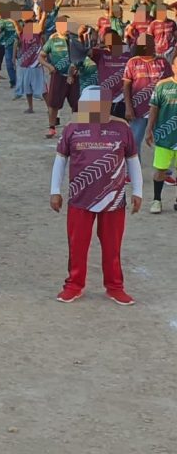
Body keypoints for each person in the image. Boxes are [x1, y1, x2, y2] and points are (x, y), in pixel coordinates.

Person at [51, 87, 141, 305]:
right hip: (80, 198)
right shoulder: (72, 128)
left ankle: (115, 287)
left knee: (112, 246)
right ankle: (74, 285)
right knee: (77, 244)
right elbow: (60, 160)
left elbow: (132, 160)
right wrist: (55, 191)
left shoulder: (122, 128)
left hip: (114, 199)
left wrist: (138, 191)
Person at [123, 34, 171, 156]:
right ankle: (136, 167)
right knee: (134, 143)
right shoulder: (132, 62)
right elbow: (126, 86)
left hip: (160, 111)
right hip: (138, 111)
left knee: (162, 143)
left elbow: (170, 85)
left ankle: (161, 167)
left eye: (147, 46)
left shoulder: (163, 62)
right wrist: (128, 107)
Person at [40, 16, 83, 138]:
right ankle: (52, 128)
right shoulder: (52, 41)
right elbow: (41, 57)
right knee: (53, 103)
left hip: (74, 77)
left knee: (77, 104)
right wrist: (49, 66)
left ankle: (77, 127)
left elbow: (84, 55)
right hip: (59, 76)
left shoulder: (75, 40)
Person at [145, 56, 177, 215]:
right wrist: (149, 129)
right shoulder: (162, 85)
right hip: (165, 137)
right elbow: (154, 108)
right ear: (173, 66)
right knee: (160, 169)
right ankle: (156, 200)